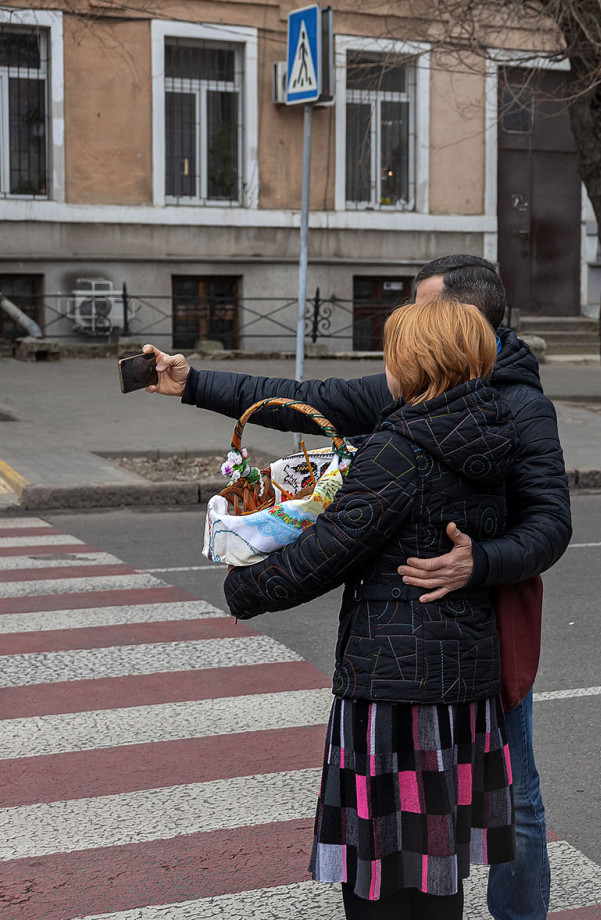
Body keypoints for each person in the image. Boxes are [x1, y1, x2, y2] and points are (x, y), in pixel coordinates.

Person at [141, 254, 567, 920]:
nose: (406, 328)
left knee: (496, 807)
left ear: (462, 324)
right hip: (459, 656)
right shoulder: (442, 401)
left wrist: (478, 562)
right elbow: (309, 400)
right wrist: (193, 382)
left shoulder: (501, 411)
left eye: (422, 313)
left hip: (457, 645)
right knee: (438, 849)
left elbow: (547, 526)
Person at [223, 299, 519, 919]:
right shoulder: (493, 432)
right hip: (462, 680)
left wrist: (245, 587)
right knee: (437, 871)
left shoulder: (400, 446)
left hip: (395, 688)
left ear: (417, 363)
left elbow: (331, 550)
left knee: (379, 877)